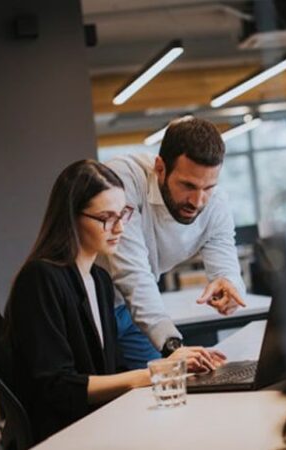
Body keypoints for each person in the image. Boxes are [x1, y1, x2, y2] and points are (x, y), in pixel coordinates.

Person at [4, 160, 225, 442]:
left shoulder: (99, 280)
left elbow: (113, 370)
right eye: (107, 217)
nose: (120, 228)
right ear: (72, 217)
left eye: (124, 214)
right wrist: (152, 373)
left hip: (99, 424)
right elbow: (57, 387)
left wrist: (173, 370)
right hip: (67, 435)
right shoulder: (40, 279)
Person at [98, 116, 247, 369]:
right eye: (187, 185)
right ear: (160, 168)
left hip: (133, 310)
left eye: (209, 187)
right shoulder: (123, 179)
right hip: (90, 306)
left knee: (162, 383)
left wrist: (230, 288)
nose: (198, 201)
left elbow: (226, 267)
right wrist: (173, 347)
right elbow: (132, 273)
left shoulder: (216, 204)